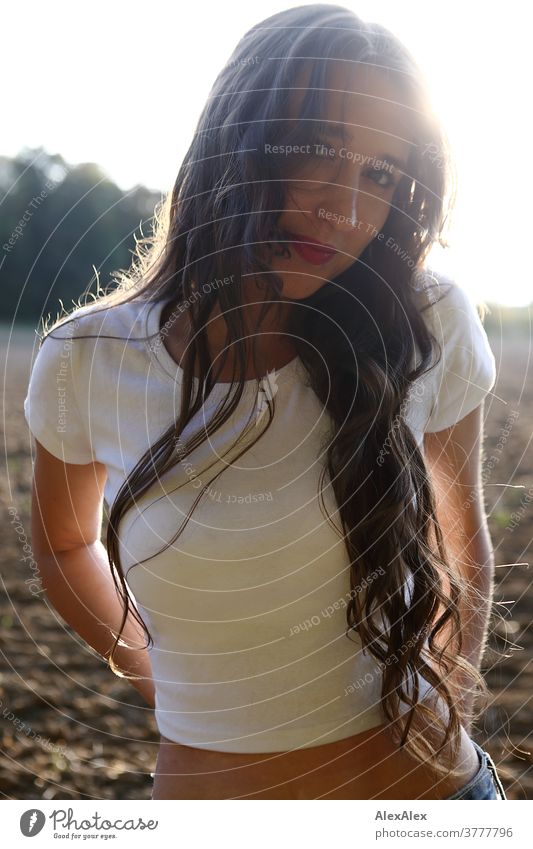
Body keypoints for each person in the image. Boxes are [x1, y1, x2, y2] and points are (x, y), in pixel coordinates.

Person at [24, 4, 506, 799]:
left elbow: (462, 541)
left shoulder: (424, 319)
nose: (343, 208)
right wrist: (159, 678)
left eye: (380, 175)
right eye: (318, 149)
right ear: (235, 136)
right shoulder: (87, 360)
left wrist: (447, 685)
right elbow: (63, 545)